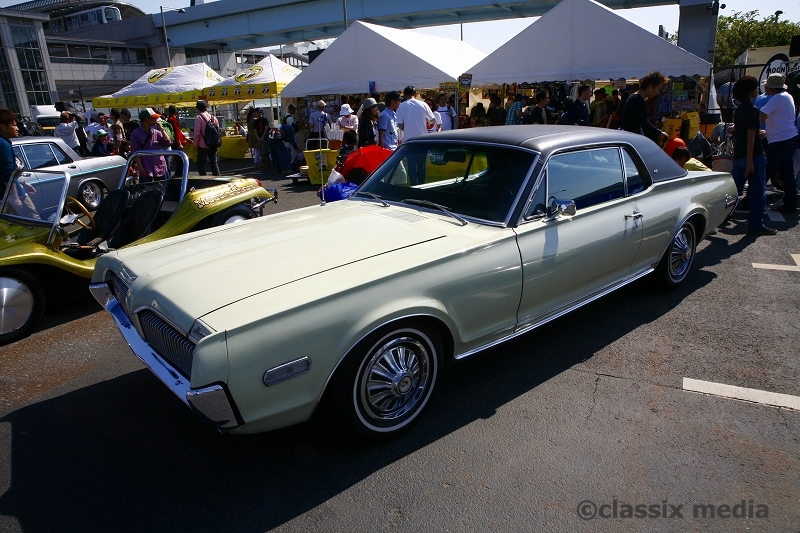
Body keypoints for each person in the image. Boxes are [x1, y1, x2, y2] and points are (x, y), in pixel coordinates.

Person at [731, 75, 776, 235]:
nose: (758, 89)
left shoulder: (739, 110)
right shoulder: (753, 110)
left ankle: (720, 218)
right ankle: (756, 225)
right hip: (754, 155)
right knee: (758, 192)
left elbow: (743, 132)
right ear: (751, 91)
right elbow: (750, 136)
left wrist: (758, 133)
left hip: (739, 154)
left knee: (733, 191)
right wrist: (750, 162)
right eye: (756, 87)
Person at [760, 73, 798, 213]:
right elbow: (780, 120)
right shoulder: (787, 96)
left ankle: (750, 200)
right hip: (788, 138)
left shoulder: (777, 98)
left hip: (779, 141)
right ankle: (790, 204)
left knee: (765, 171)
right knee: (787, 174)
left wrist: (746, 126)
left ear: (771, 88)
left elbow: (762, 116)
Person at [396, 86, 434, 184]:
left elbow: (399, 124)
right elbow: (433, 120)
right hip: (422, 140)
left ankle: (414, 186)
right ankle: (421, 186)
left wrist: (407, 128)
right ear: (415, 94)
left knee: (411, 166)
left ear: (404, 95)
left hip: (409, 141)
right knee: (422, 165)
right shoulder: (423, 104)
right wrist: (425, 122)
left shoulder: (401, 106)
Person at [620, 71, 670, 142]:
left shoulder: (633, 97)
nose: (658, 92)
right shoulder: (637, 99)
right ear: (650, 87)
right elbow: (644, 123)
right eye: (658, 89)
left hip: (629, 137)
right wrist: (660, 133)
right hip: (632, 139)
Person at [130, 108, 171, 182]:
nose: (156, 119)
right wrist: (140, 167)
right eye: (153, 118)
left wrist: (161, 128)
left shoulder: (156, 132)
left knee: (164, 187)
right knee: (146, 188)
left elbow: (167, 141)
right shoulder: (135, 134)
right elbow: (135, 152)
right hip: (146, 167)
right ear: (146, 119)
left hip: (159, 165)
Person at [193, 100, 221, 176]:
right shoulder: (213, 117)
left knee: (201, 164)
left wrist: (195, 144)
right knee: (214, 162)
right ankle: (218, 179)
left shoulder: (199, 117)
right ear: (206, 107)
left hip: (203, 145)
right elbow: (218, 131)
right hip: (213, 144)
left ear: (197, 108)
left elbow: (197, 133)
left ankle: (204, 178)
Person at [166, 105, 188, 178]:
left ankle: (180, 173)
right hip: (176, 142)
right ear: (176, 112)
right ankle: (179, 173)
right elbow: (176, 132)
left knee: (179, 159)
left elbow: (177, 132)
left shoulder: (170, 119)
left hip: (176, 142)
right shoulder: (173, 120)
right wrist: (179, 143)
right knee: (180, 159)